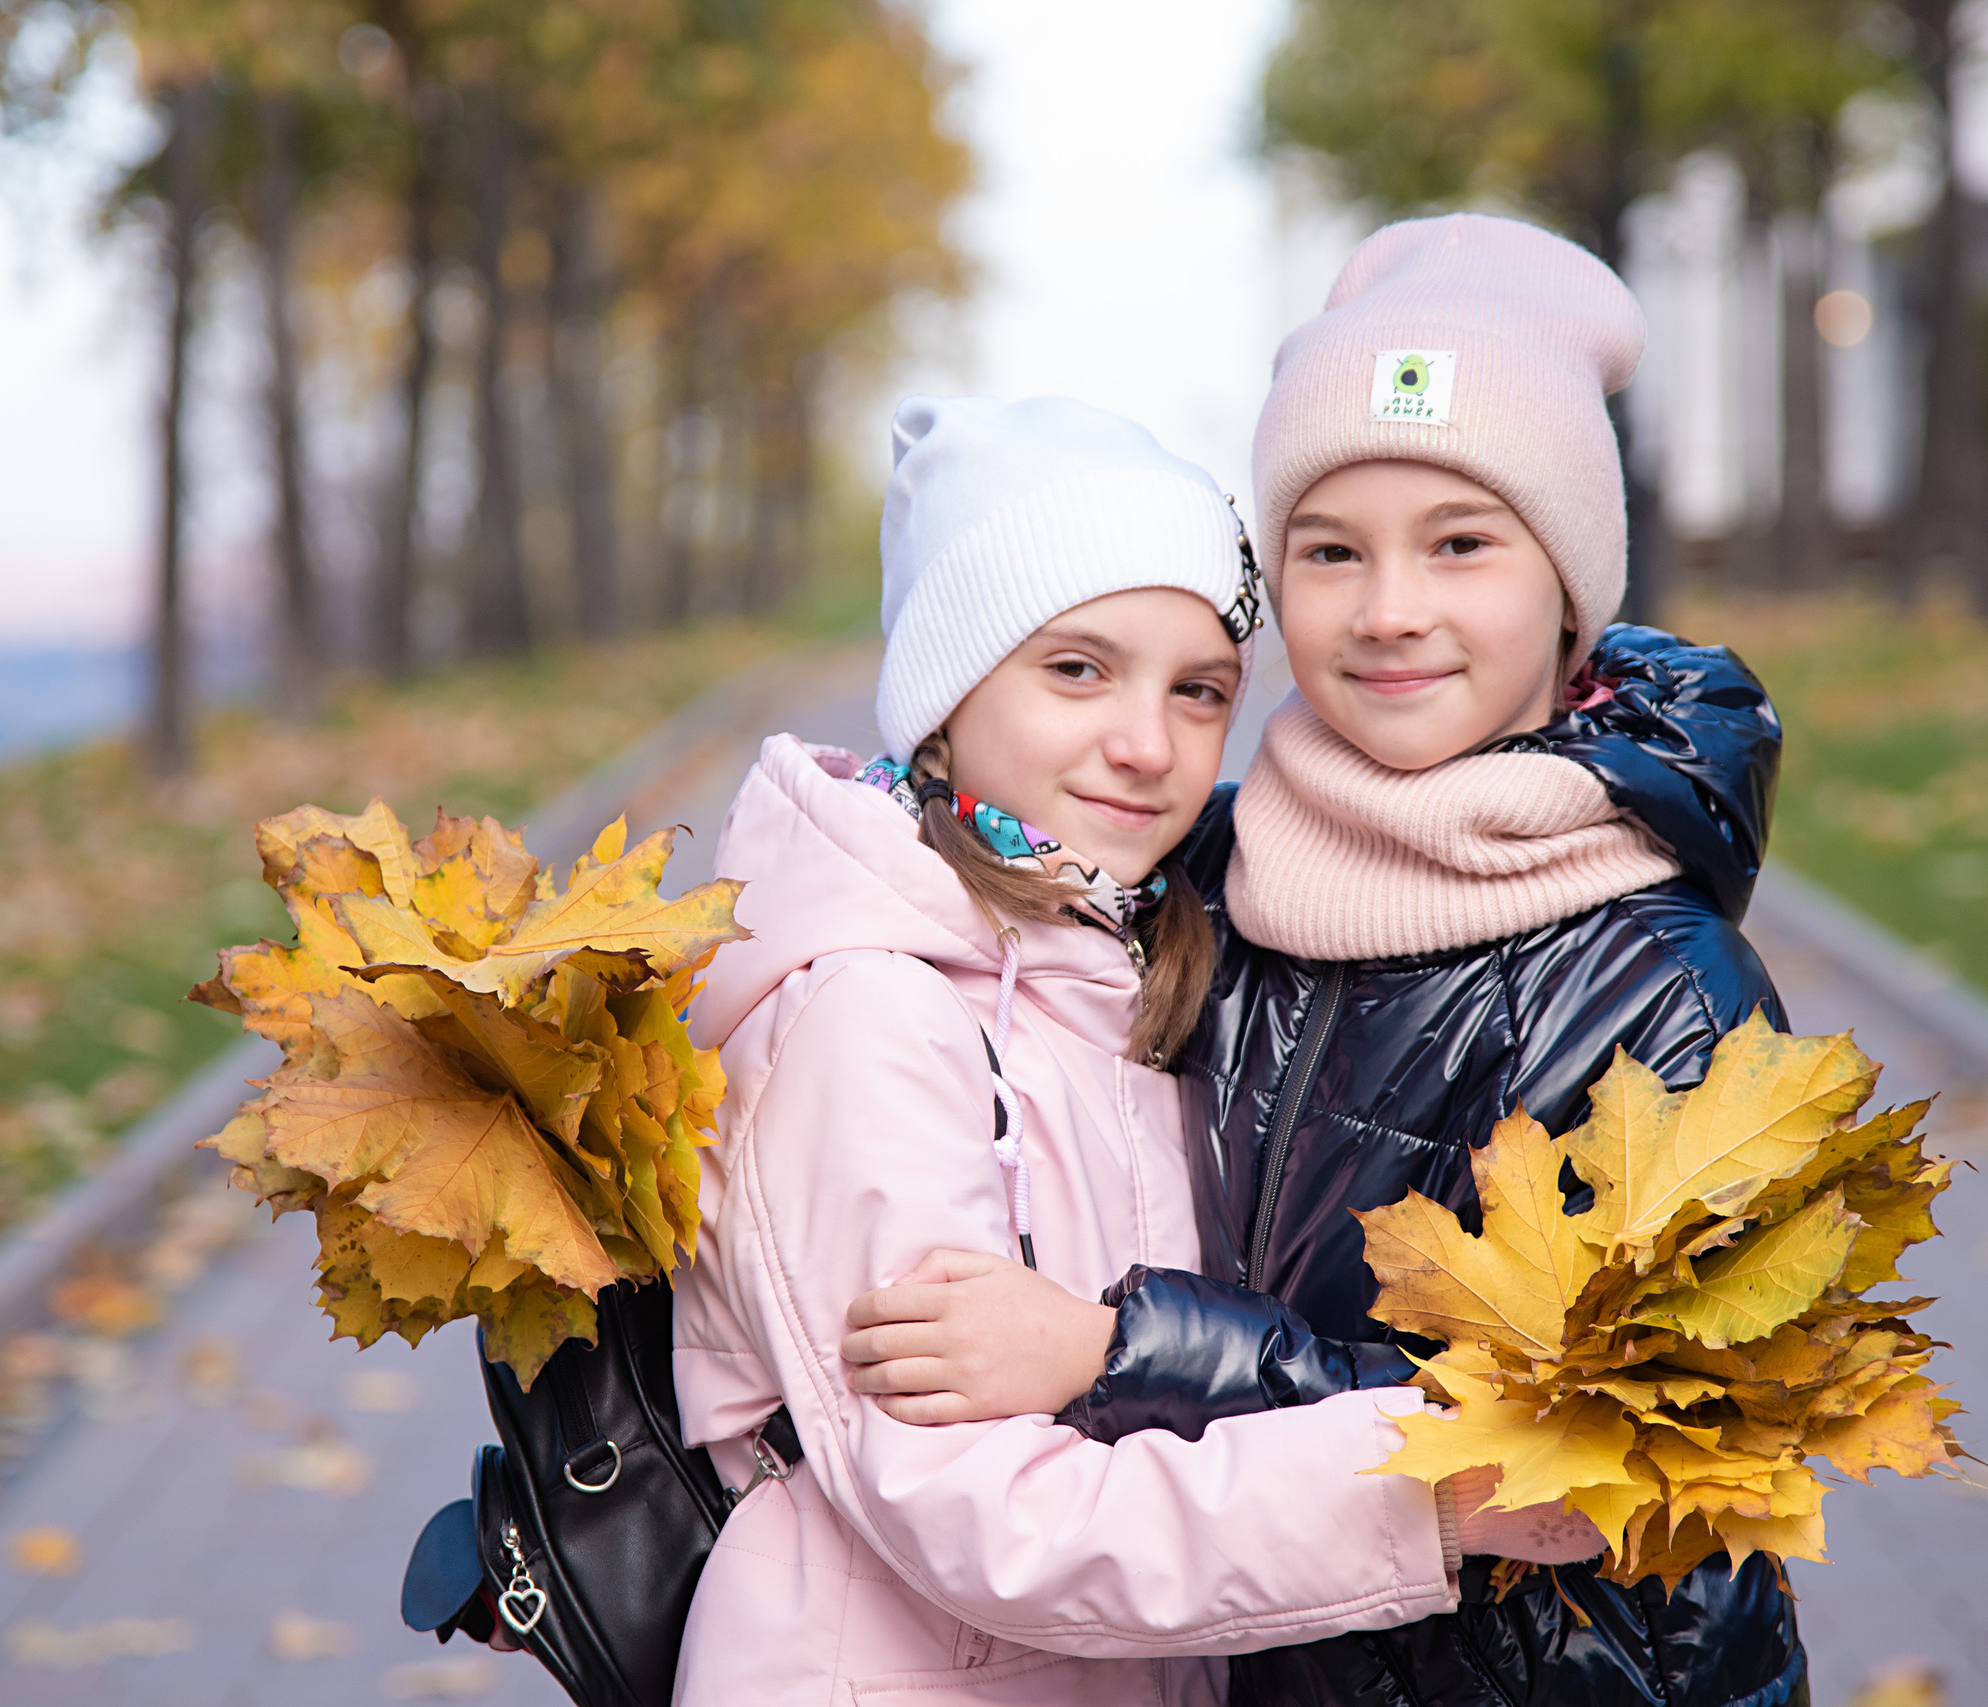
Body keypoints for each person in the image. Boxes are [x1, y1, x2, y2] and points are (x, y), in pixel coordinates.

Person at [842, 216, 1808, 1707]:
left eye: (1463, 544)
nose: (1389, 610)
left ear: (1570, 588)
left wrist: (1125, 1349)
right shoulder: (1207, 888)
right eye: (1330, 551)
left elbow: (1627, 1455)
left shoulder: (1663, 986)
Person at [669, 394, 1597, 1707]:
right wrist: (1422, 1488)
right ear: (945, 693)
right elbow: (984, 1517)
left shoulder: (1117, 972)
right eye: (1078, 670)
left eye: (1200, 689)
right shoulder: (866, 1016)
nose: (1148, 745)